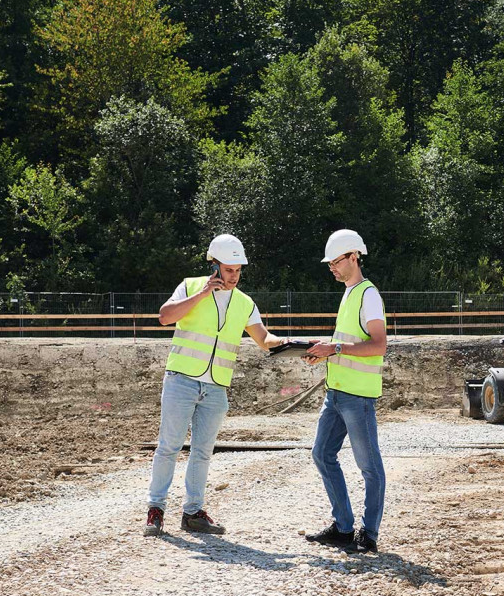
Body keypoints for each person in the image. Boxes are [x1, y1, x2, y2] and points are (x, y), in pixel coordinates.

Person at [143, 234, 289, 537]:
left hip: (215, 388)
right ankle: (155, 510)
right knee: (168, 447)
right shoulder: (189, 286)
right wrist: (203, 294)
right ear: (214, 266)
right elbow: (164, 317)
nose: (234, 276)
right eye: (229, 270)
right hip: (181, 380)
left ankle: (193, 513)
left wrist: (289, 343)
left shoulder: (245, 303)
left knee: (203, 452)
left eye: (238, 270)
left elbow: (263, 339)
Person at [303, 230, 387, 554]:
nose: (332, 269)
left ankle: (369, 534)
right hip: (335, 394)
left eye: (335, 262)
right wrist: (323, 352)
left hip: (357, 397)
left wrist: (333, 347)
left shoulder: (368, 295)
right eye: (330, 265)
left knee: (369, 466)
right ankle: (343, 528)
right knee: (322, 454)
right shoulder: (349, 293)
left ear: (353, 257)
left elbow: (378, 344)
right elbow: (347, 345)